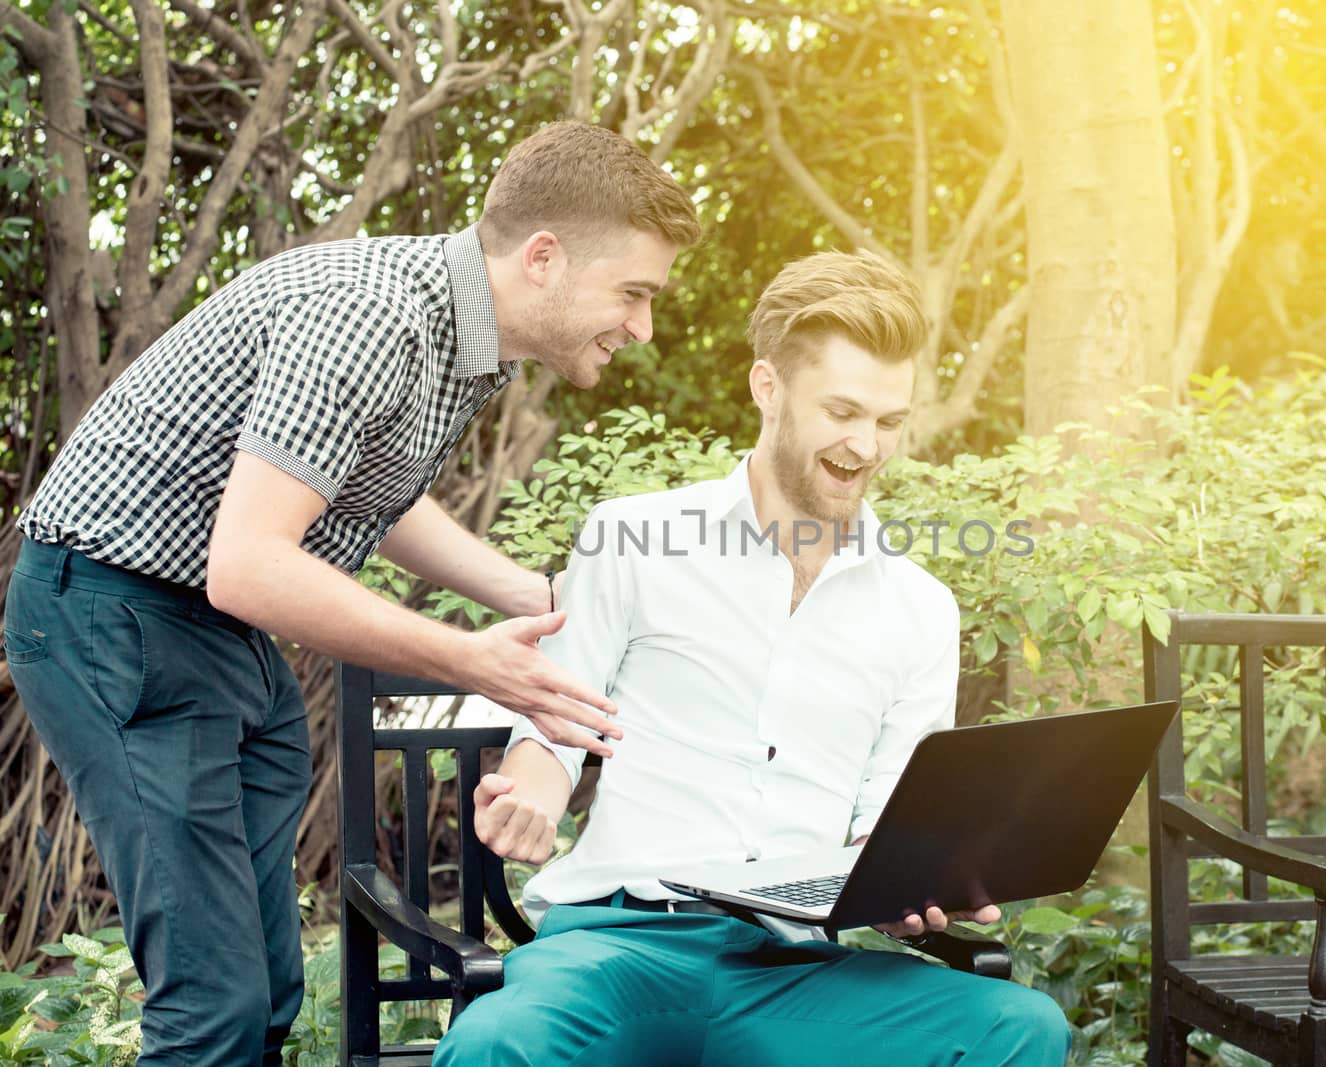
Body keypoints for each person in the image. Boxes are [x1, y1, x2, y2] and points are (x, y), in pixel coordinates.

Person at [2, 121, 701, 1066]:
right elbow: (249, 561)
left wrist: (534, 591)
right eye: (633, 293)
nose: (641, 326)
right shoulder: (373, 316)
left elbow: (365, 485)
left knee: (268, 995)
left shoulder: (464, 340)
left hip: (209, 628)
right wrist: (470, 658)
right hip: (111, 612)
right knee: (212, 1008)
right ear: (544, 258)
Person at [438, 251, 1069, 1065]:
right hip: (622, 949)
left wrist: (914, 883)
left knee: (1020, 1029)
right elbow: (556, 727)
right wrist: (526, 794)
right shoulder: (634, 539)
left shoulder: (920, 609)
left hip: (793, 971)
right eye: (842, 410)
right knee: (498, 1044)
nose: (866, 445)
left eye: (888, 421)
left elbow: (889, 815)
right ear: (767, 387)